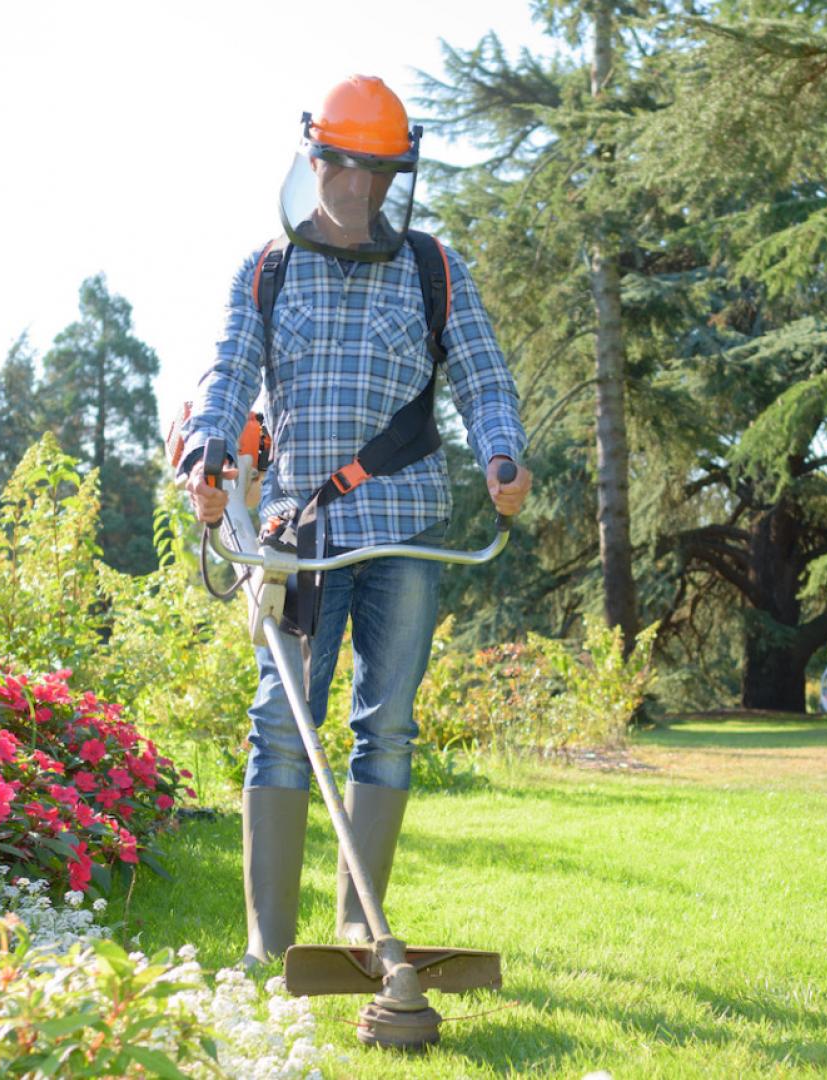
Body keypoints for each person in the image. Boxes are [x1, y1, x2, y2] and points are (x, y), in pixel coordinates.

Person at [174, 74, 531, 968]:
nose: (352, 189)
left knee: (389, 725)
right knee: (279, 723)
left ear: (389, 177)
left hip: (404, 529)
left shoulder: (430, 267)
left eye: (371, 174)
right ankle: (268, 943)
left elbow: (483, 377)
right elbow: (227, 373)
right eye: (338, 168)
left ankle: (356, 929)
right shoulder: (268, 267)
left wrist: (503, 457)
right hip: (302, 535)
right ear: (314, 161)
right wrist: (207, 454)